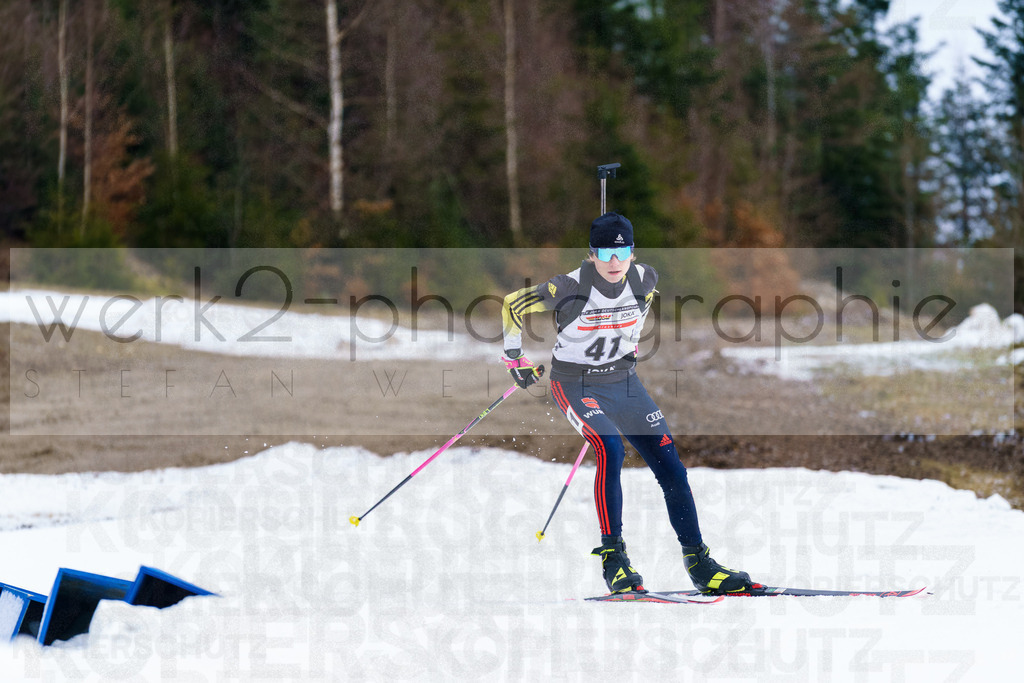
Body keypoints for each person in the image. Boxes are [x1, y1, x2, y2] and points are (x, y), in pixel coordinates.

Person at [499, 212, 755, 594]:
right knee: (611, 448)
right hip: (575, 383)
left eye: (622, 252)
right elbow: (512, 305)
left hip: (623, 382)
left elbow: (634, 317)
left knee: (671, 467)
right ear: (591, 254)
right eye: (604, 252)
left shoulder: (645, 279)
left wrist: (626, 343)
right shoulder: (568, 286)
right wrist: (514, 359)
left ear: (633, 252)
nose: (614, 262)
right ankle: (614, 559)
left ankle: (699, 563)